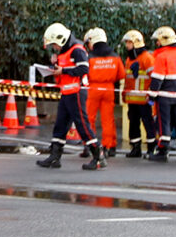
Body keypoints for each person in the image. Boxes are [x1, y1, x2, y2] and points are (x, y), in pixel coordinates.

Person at [36, 23, 103, 170]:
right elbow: (65, 72)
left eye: (54, 44)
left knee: (82, 125)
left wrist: (63, 70)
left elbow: (84, 68)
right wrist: (55, 66)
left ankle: (98, 156)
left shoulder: (77, 50)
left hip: (76, 92)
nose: (54, 48)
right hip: (67, 93)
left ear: (60, 39)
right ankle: (55, 157)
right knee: (60, 125)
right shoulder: (64, 52)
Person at [148, 26, 176, 162]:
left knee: (164, 123)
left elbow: (157, 79)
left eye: (158, 41)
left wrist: (152, 96)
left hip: (165, 96)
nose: (157, 44)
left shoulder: (162, 56)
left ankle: (163, 150)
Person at [83, 28, 124, 162]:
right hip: (109, 89)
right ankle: (109, 146)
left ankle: (90, 145)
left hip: (93, 88)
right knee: (108, 119)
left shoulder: (89, 57)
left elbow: (84, 74)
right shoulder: (115, 56)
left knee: (89, 118)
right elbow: (121, 75)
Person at [121, 30, 157, 158]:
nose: (127, 45)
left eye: (129, 43)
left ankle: (151, 148)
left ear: (136, 43)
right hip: (132, 99)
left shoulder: (147, 58)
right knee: (133, 123)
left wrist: (152, 96)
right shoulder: (129, 59)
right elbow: (128, 78)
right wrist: (124, 93)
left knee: (148, 123)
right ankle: (135, 148)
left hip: (144, 99)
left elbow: (154, 78)